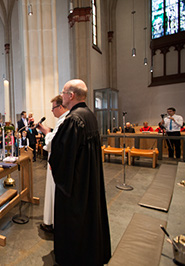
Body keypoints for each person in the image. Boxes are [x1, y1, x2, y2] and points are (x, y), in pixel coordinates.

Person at [49, 79, 111, 265]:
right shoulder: (89, 115)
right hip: (88, 177)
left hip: (75, 182)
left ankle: (73, 258)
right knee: (89, 214)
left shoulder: (73, 119)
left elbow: (63, 154)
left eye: (63, 92)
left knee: (75, 218)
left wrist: (54, 162)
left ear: (71, 95)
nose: (62, 95)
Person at [36, 95, 69, 234]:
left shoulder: (64, 121)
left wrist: (46, 133)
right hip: (59, 161)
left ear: (60, 107)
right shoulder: (64, 119)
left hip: (57, 162)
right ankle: (51, 220)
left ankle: (52, 222)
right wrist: (49, 132)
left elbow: (52, 144)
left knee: (53, 191)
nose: (52, 110)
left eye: (53, 107)